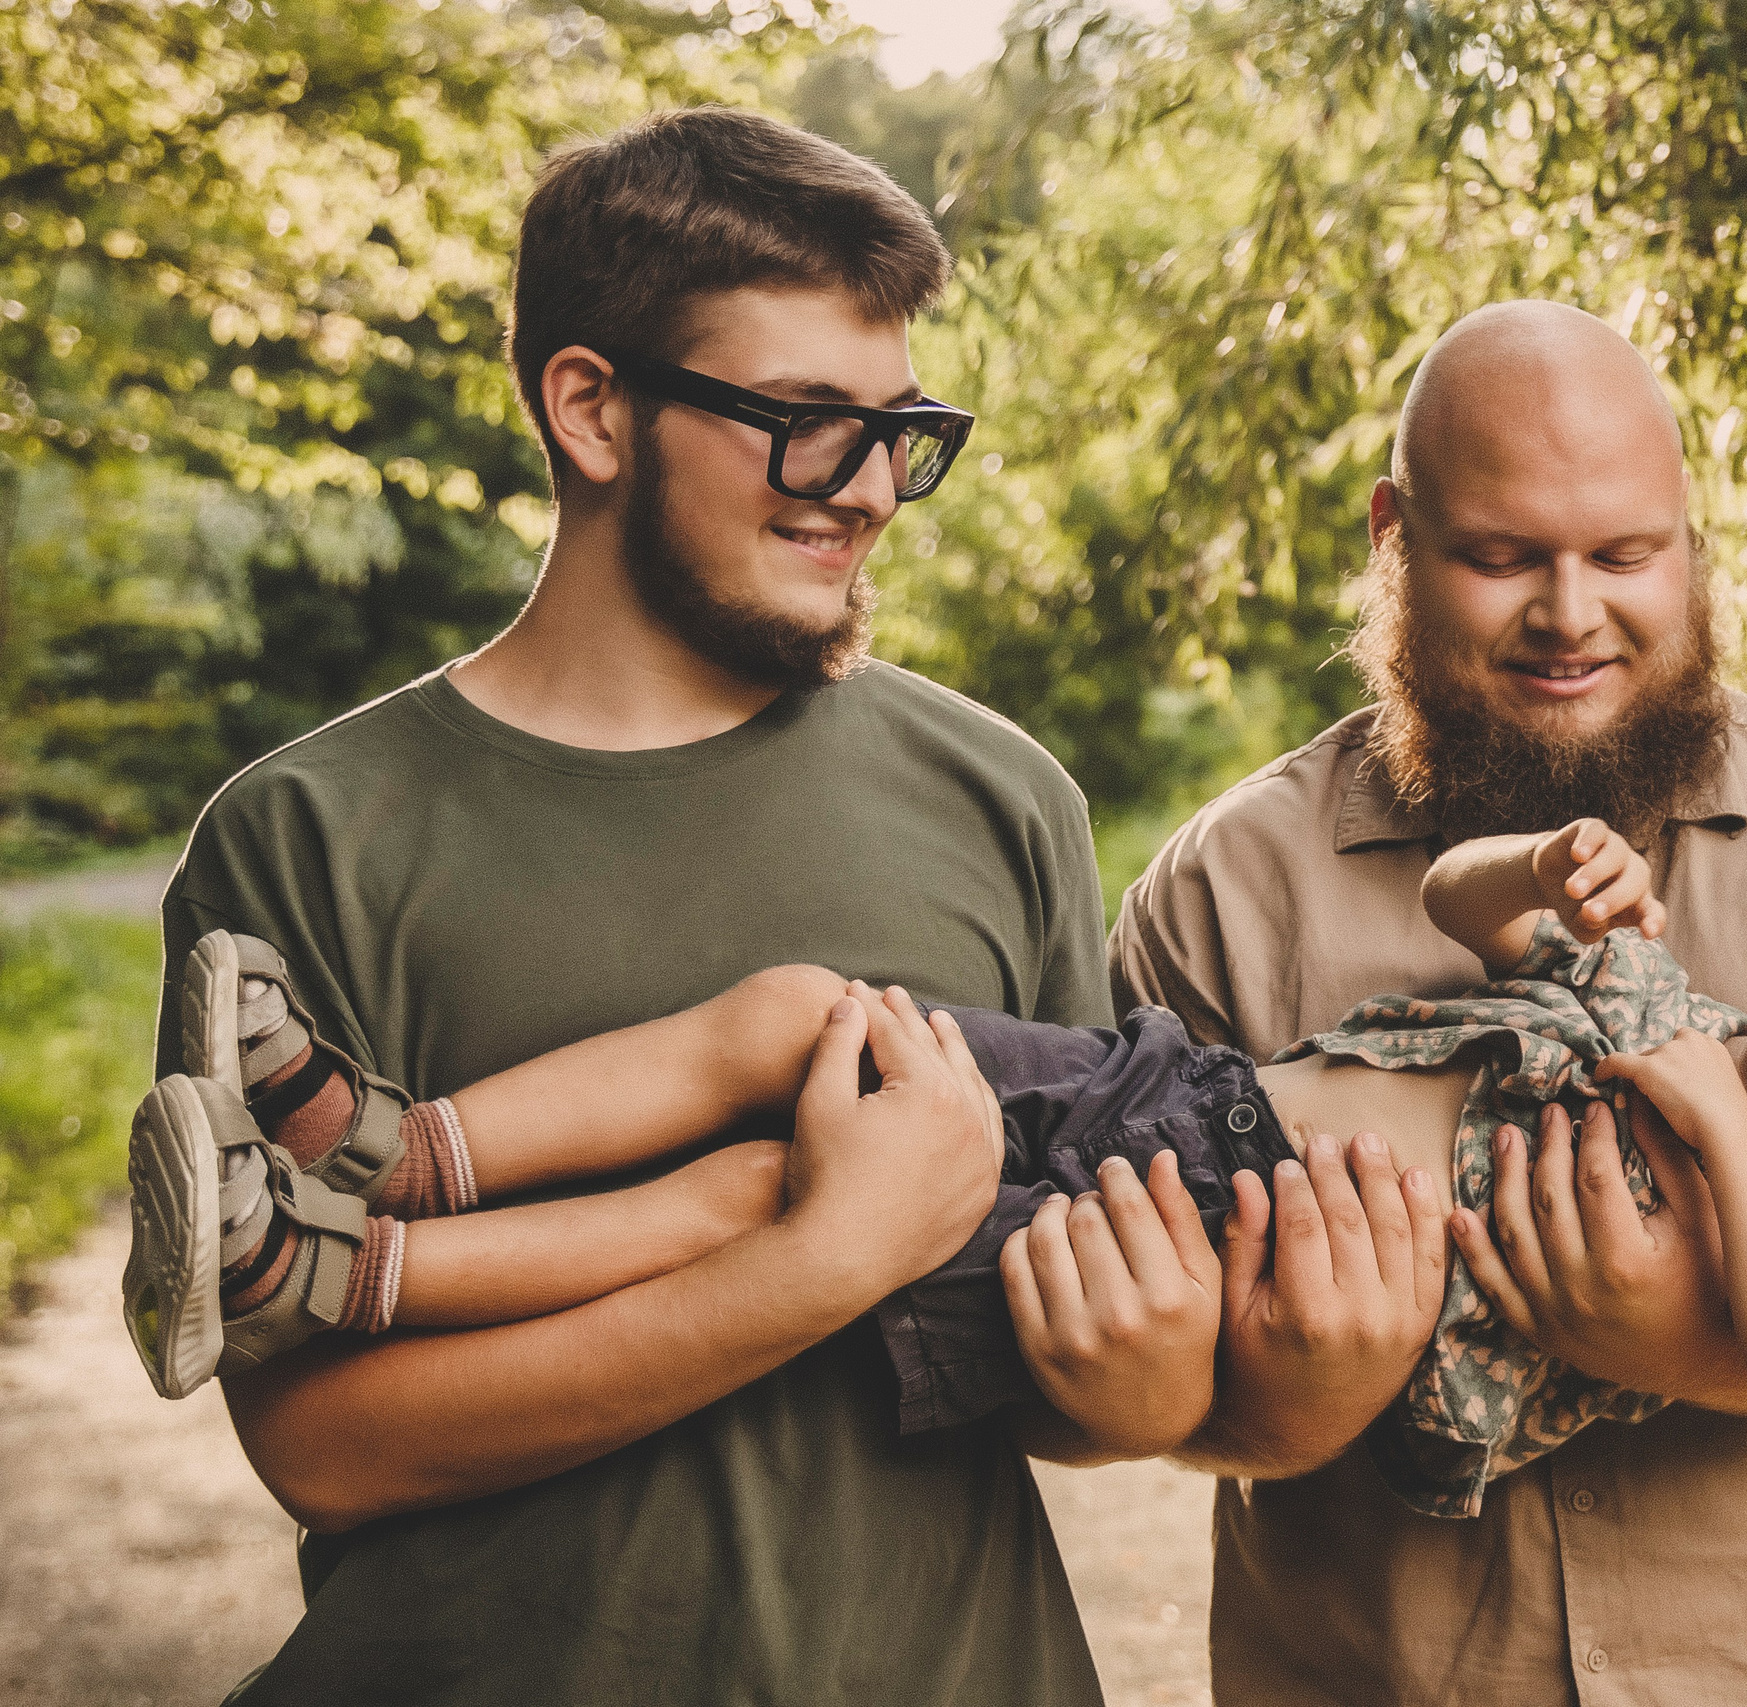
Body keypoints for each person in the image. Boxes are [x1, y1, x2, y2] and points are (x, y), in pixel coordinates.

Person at [152, 107, 1196, 1707]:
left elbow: (1050, 1373)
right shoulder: (302, 841)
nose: (867, 492)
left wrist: (1159, 1372)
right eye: (804, 421)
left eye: (899, 428)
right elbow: (328, 1449)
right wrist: (816, 1260)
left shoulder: (1005, 798)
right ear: (592, 409)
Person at [1109, 299, 1747, 1704]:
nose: (1571, 615)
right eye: (1505, 557)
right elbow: (1129, 1363)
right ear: (1393, 535)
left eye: (1626, 555)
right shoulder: (1228, 886)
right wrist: (1288, 1396)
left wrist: (1673, 1337)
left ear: (1689, 544)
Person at [132, 822, 1747, 1523]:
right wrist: (1538, 873)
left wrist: (1696, 1103)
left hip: (1199, 1238)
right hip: (1175, 1089)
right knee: (800, 1026)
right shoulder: (1669, 982)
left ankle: (316, 1273)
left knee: (781, 1209)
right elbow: (1450, 898)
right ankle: (383, 1138)